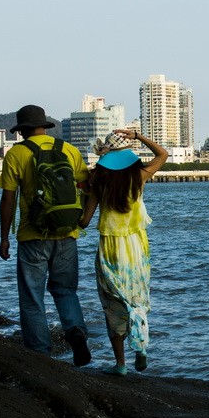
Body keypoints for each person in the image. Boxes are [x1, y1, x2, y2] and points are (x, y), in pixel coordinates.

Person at [0, 104, 92, 364]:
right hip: (67, 232)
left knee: (32, 297)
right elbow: (87, 187)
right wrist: (84, 219)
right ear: (44, 126)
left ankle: (40, 354)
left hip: (32, 236)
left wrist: (4, 237)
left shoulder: (17, 154)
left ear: (21, 131)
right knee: (65, 291)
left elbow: (8, 198)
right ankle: (75, 332)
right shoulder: (68, 149)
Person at [79, 128, 167, 376]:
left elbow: (84, 222)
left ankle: (120, 364)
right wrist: (137, 136)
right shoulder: (138, 176)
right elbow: (163, 154)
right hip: (136, 247)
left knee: (112, 303)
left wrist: (82, 198)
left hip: (110, 248)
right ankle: (141, 349)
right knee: (136, 299)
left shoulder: (98, 182)